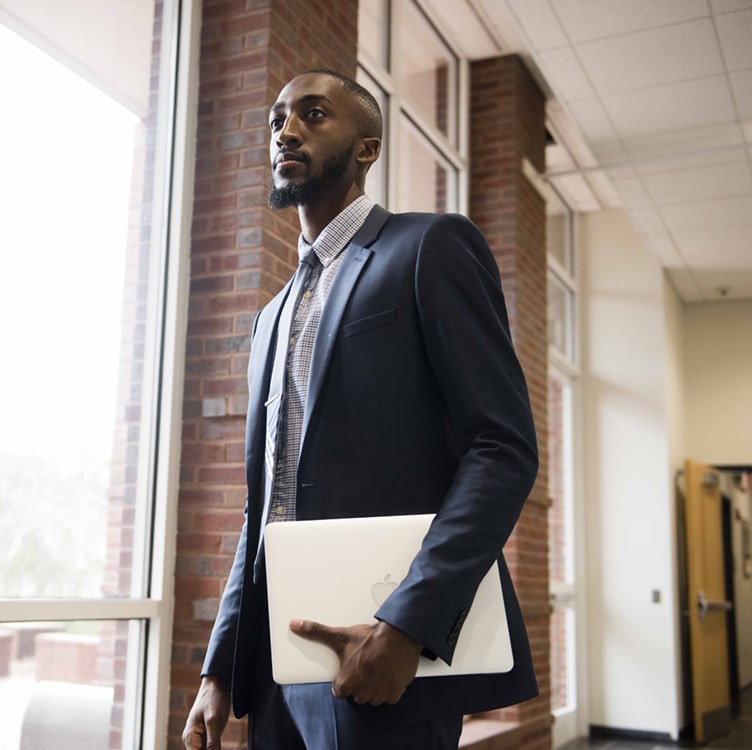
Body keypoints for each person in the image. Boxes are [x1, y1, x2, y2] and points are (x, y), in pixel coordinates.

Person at [182, 69, 539, 750]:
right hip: (278, 671)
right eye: (276, 119)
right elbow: (266, 505)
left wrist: (407, 624)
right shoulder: (271, 317)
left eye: (313, 115)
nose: (285, 130)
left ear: (367, 148)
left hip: (386, 658)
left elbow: (502, 448)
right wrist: (221, 667)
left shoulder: (429, 247)